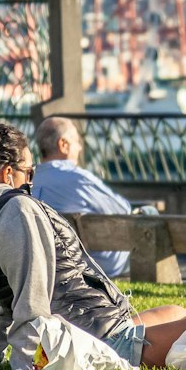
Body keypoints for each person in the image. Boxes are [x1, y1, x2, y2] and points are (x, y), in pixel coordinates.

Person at [0, 123, 186, 370]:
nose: (31, 181)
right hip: (97, 340)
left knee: (178, 313)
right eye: (29, 172)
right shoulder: (17, 210)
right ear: (8, 173)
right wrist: (28, 362)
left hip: (95, 323)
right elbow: (32, 293)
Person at [30, 115, 134, 278]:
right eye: (77, 142)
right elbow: (123, 210)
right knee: (149, 214)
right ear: (63, 144)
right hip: (92, 265)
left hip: (44, 263)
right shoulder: (79, 179)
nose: (79, 148)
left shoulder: (27, 179)